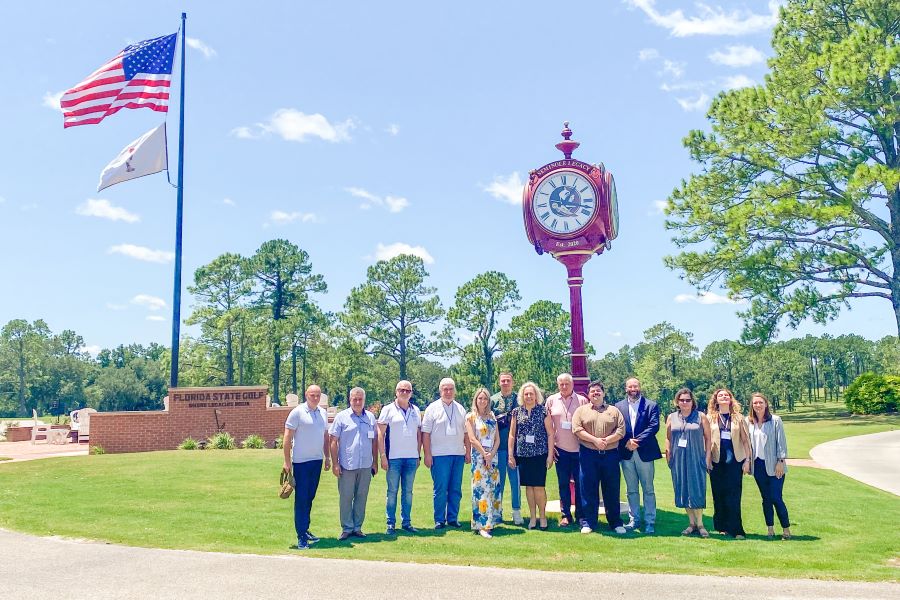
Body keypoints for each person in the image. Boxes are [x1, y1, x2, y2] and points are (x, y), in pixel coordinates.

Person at [572, 380, 627, 535]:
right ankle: (588, 522)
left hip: (610, 455)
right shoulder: (581, 411)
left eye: (598, 391)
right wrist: (595, 440)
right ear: (588, 395)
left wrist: (606, 441)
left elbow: (621, 430)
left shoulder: (614, 411)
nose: (595, 393)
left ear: (603, 393)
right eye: (592, 391)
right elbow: (577, 429)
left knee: (612, 488)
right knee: (588, 488)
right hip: (588, 454)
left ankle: (615, 522)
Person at [283, 384, 331, 550]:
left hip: (316, 460)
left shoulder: (322, 413)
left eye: (318, 395)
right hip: (301, 462)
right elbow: (287, 437)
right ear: (306, 395)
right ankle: (301, 536)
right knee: (301, 499)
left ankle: (306, 528)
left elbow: (325, 437)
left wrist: (328, 457)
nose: (315, 398)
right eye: (312, 395)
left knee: (310, 497)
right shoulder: (297, 412)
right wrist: (287, 461)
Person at [329, 387, 378, 540]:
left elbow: (374, 441)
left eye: (360, 399)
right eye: (354, 399)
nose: (357, 402)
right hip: (346, 466)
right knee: (346, 497)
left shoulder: (370, 417)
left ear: (364, 400)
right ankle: (347, 528)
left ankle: (357, 527)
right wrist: (335, 464)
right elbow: (333, 441)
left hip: (365, 465)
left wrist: (375, 462)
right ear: (350, 400)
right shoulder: (341, 417)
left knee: (361, 497)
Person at [421, 378, 471, 529]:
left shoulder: (461, 409)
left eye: (451, 389)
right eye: (445, 389)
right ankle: (439, 519)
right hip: (439, 455)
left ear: (454, 391)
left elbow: (466, 434)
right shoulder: (432, 408)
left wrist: (467, 451)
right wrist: (427, 455)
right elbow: (426, 434)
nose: (448, 392)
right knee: (440, 489)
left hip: (457, 454)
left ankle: (453, 518)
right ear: (440, 391)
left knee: (456, 488)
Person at [615, 377, 662, 534]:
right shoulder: (618, 406)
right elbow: (617, 427)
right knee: (631, 489)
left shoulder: (651, 405)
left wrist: (637, 441)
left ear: (640, 387)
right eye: (630, 386)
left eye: (635, 386)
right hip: (626, 453)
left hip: (645, 453)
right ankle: (634, 520)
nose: (633, 389)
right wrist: (627, 442)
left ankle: (650, 521)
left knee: (648, 489)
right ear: (626, 388)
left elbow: (654, 426)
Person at [377, 380, 422, 535]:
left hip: (411, 458)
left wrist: (418, 454)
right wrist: (383, 456)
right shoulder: (388, 409)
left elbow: (418, 434)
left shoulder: (415, 410)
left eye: (407, 390)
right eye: (401, 390)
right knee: (392, 492)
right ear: (396, 392)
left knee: (408, 492)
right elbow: (380, 434)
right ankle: (390, 523)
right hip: (393, 458)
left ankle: (407, 522)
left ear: (411, 393)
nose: (404, 392)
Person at [666, 387, 712, 538]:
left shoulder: (701, 416)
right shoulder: (671, 417)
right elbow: (668, 437)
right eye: (682, 400)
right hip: (678, 459)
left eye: (688, 400)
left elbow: (708, 438)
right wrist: (668, 454)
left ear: (693, 402)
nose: (685, 402)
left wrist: (707, 457)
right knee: (683, 489)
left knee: (697, 489)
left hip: (696, 457)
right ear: (677, 402)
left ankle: (700, 524)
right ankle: (691, 523)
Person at [508, 381, 554, 530]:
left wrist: (550, 455)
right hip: (523, 455)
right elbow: (512, 435)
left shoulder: (543, 411)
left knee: (539, 487)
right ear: (522, 396)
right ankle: (532, 518)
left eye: (531, 394)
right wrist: (511, 455)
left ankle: (543, 517)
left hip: (540, 454)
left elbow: (550, 434)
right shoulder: (516, 412)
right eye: (526, 394)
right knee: (528, 487)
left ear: (536, 396)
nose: (528, 396)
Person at [545, 373, 588, 527]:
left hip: (579, 449)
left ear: (572, 384)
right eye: (561, 384)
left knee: (580, 483)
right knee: (563, 483)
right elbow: (547, 427)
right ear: (558, 385)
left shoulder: (582, 400)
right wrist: (551, 448)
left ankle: (581, 515)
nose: (564, 386)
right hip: (560, 450)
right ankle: (566, 515)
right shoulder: (551, 400)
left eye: (567, 384)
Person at [707, 387, 751, 539]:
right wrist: (707, 460)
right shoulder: (710, 418)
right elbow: (706, 441)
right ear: (716, 400)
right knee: (718, 495)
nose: (724, 397)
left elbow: (746, 441)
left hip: (735, 461)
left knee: (734, 496)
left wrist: (748, 460)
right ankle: (721, 527)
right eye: (721, 395)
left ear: (731, 399)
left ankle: (737, 530)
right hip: (716, 461)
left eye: (726, 395)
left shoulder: (739, 418)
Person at [748, 392, 792, 540]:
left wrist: (781, 461)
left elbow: (781, 443)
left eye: (761, 402)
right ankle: (770, 529)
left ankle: (786, 529)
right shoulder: (750, 422)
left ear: (766, 404)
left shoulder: (775, 421)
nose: (758, 405)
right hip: (758, 465)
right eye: (755, 403)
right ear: (752, 405)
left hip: (774, 465)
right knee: (765, 498)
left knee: (776, 497)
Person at [465, 387, 502, 538]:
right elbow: (472, 439)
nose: (482, 401)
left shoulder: (492, 416)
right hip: (479, 458)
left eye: (485, 398)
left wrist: (491, 454)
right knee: (481, 490)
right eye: (480, 398)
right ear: (476, 400)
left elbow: (497, 438)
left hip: (492, 457)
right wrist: (484, 454)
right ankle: (482, 525)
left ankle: (491, 522)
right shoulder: (471, 417)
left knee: (492, 490)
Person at [490, 372, 522, 524]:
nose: (505, 383)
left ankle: (516, 511)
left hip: (516, 448)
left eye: (508, 380)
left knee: (515, 481)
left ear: (513, 382)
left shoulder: (519, 399)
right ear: (499, 382)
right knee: (499, 481)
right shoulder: (493, 400)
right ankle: (497, 511)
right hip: (499, 446)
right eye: (503, 380)